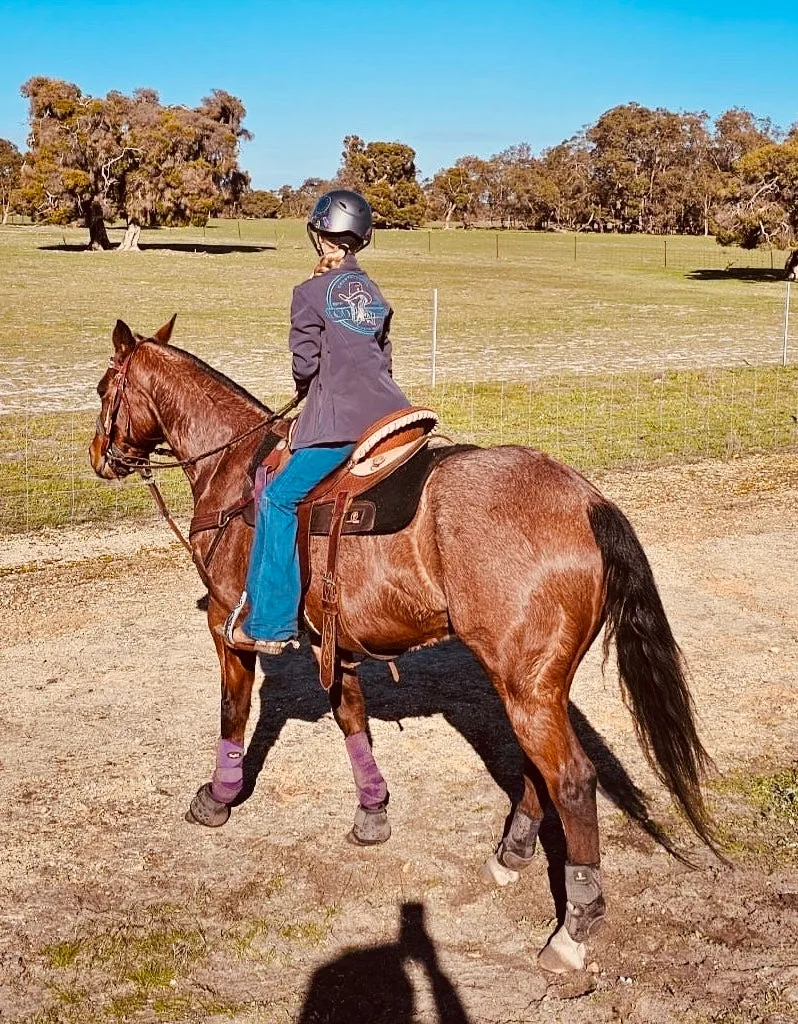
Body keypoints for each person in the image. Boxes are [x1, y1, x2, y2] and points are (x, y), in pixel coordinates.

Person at [223, 189, 411, 654]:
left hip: (339, 424)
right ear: (357, 240)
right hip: (390, 415)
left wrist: (309, 388)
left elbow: (305, 366)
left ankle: (270, 625)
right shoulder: (373, 293)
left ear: (320, 235)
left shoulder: (308, 293)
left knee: (279, 499)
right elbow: (382, 360)